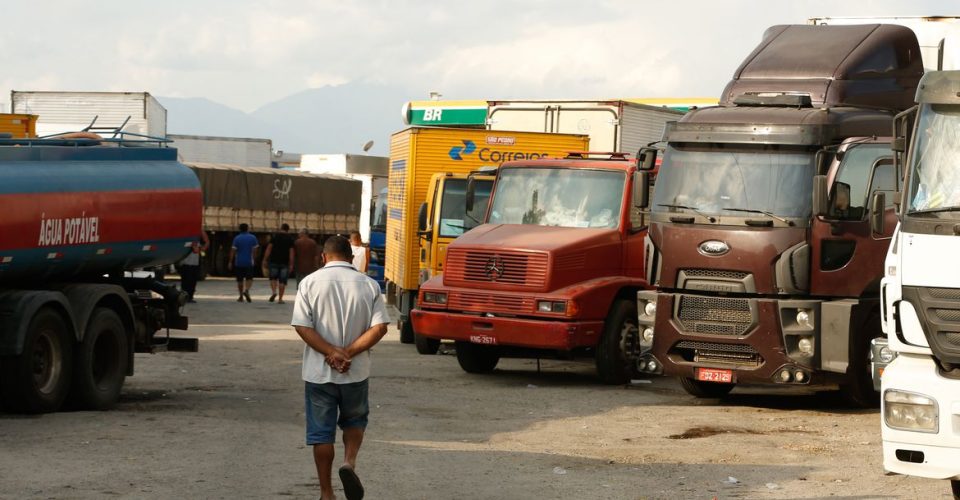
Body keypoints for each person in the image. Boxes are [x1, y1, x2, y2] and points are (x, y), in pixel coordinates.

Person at [291, 235, 390, 500]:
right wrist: (348, 353)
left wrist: (330, 352)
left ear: (324, 257)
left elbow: (302, 326)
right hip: (355, 372)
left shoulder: (309, 283)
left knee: (321, 433)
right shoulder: (369, 285)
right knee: (355, 421)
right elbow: (380, 327)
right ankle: (349, 462)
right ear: (351, 256)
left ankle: (326, 493)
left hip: (318, 374)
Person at [263, 223, 295, 304]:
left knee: (273, 278)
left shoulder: (274, 237)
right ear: (288, 229)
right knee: (282, 281)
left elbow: (269, 249)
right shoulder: (290, 239)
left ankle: (274, 292)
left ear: (281, 228)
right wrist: (291, 264)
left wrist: (265, 259)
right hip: (285, 263)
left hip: (274, 261)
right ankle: (280, 299)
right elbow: (291, 252)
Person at [228, 223, 259, 303]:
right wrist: (254, 259)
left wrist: (230, 261)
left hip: (239, 262)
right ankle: (247, 290)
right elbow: (255, 250)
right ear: (247, 228)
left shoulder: (237, 238)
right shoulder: (253, 238)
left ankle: (241, 296)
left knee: (240, 280)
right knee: (249, 278)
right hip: (249, 261)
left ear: (240, 229)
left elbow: (233, 251)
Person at [180, 231, 209, 303]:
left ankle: (189, 297)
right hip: (187, 263)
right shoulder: (187, 239)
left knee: (191, 281)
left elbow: (206, 242)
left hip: (193, 263)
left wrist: (202, 248)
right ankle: (186, 297)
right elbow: (196, 250)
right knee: (187, 281)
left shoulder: (196, 241)